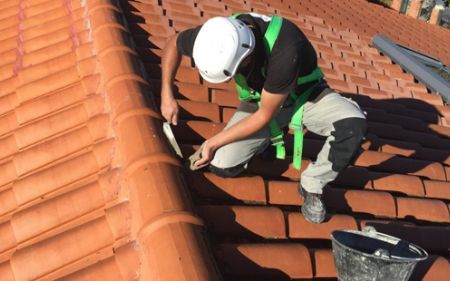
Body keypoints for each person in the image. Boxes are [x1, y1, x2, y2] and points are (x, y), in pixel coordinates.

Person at [160, 13, 367, 224]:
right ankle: (269, 137)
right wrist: (166, 93)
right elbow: (173, 44)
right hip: (262, 99)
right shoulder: (218, 35)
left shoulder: (285, 49)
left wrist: (212, 142)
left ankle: (312, 183)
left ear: (247, 58)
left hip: (305, 97)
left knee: (352, 126)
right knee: (222, 164)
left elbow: (264, 116)